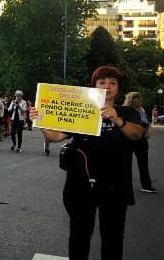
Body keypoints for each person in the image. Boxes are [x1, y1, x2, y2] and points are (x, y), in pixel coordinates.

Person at [30, 66, 143, 259]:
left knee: (113, 240)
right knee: (79, 238)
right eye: (102, 82)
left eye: (113, 82)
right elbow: (55, 136)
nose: (108, 86)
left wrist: (118, 120)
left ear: (119, 87)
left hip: (116, 186)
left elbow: (137, 134)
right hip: (81, 185)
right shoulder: (83, 109)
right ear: (94, 85)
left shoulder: (127, 112)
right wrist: (40, 121)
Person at [123, 92, 156, 193]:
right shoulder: (124, 109)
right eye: (134, 97)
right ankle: (124, 187)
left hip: (141, 138)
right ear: (129, 99)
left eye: (138, 97)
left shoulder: (141, 109)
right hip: (127, 138)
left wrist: (149, 130)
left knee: (143, 164)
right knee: (125, 165)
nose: (137, 99)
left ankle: (146, 186)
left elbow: (146, 122)